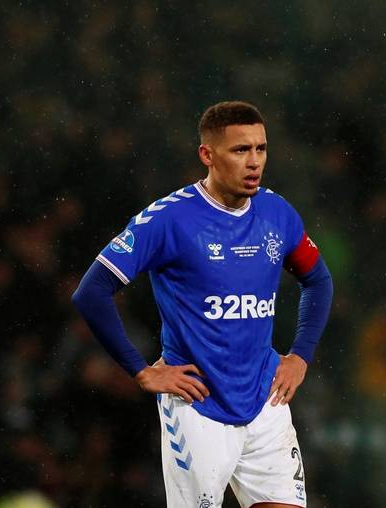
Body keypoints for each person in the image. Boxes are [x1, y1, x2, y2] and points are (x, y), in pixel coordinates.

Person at [72, 101, 333, 508]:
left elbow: (318, 280)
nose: (254, 163)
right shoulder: (168, 220)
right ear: (207, 155)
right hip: (197, 406)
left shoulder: (276, 213)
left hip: (265, 400)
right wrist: (140, 371)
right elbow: (91, 291)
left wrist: (300, 355)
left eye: (260, 149)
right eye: (240, 150)